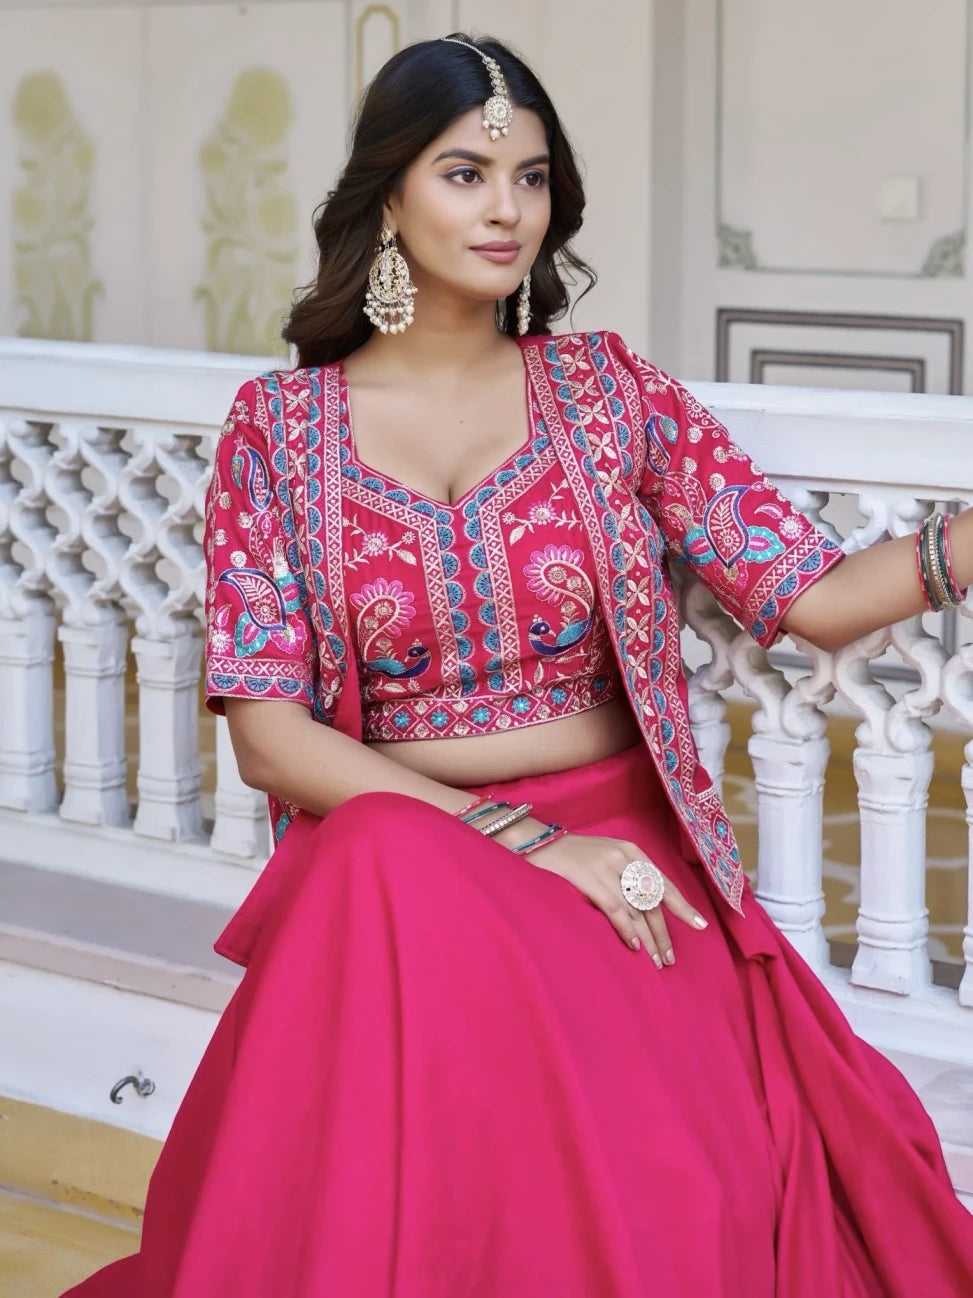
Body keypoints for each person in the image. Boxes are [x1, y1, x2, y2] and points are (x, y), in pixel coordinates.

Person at [64, 32, 973, 1298]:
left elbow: (807, 594)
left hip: (624, 844)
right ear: (387, 193)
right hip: (411, 848)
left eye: (532, 177)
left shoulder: (606, 394)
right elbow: (270, 736)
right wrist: (525, 844)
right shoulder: (277, 432)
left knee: (668, 1185)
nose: (506, 209)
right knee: (380, 862)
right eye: (464, 172)